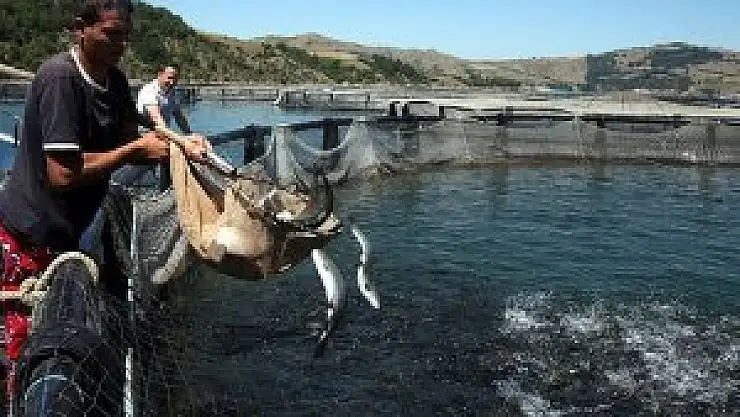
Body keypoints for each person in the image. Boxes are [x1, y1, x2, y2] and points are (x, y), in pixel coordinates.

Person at [0, 0, 208, 396]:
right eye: (111, 34)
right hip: (32, 231)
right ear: (81, 28)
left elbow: (131, 135)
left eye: (126, 36)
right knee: (28, 348)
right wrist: (132, 152)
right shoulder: (60, 79)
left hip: (74, 230)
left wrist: (180, 145)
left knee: (63, 337)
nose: (121, 44)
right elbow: (62, 175)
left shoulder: (114, 80)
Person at [136, 65, 192, 133]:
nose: (172, 82)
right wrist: (177, 137)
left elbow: (179, 117)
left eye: (175, 79)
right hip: (144, 133)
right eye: (169, 78)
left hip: (162, 133)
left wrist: (190, 134)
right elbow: (156, 118)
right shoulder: (149, 91)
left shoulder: (172, 92)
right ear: (160, 74)